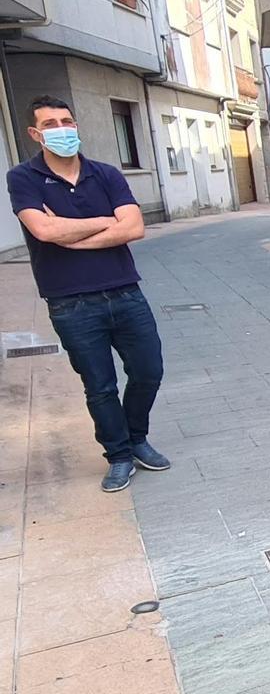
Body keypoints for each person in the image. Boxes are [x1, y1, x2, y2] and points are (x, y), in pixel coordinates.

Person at [6, 96, 169, 492]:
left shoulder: (107, 174)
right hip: (70, 302)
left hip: (126, 293)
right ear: (35, 134)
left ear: (77, 126)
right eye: (50, 125)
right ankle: (118, 456)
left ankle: (136, 438)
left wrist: (72, 231)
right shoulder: (22, 178)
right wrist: (102, 222)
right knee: (99, 385)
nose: (61, 130)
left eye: (67, 121)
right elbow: (44, 232)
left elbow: (133, 228)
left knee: (149, 371)